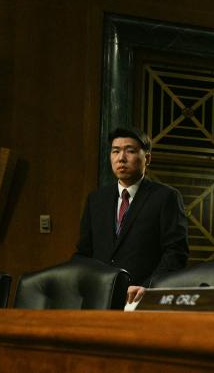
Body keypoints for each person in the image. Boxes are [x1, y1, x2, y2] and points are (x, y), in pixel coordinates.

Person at [75, 127, 189, 305]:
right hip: (98, 298)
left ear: (147, 158)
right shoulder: (96, 199)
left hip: (142, 298)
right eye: (115, 151)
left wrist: (149, 287)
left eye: (130, 151)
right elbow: (83, 252)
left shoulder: (166, 197)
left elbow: (176, 252)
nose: (121, 158)